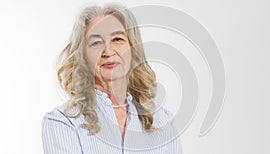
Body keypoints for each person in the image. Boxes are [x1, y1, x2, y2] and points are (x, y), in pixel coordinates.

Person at [42, 3, 183, 154]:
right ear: (82, 56)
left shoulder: (163, 121)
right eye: (96, 42)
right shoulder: (62, 121)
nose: (108, 51)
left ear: (132, 48)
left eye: (117, 39)